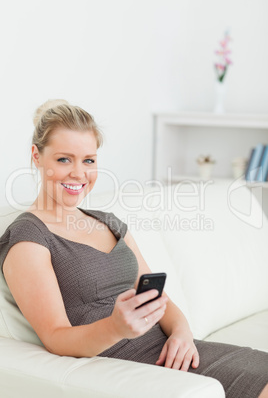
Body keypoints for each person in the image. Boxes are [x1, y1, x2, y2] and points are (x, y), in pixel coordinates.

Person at [0, 99, 267, 398]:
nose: (79, 173)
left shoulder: (109, 222)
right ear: (37, 156)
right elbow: (55, 337)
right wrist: (115, 327)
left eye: (89, 160)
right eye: (64, 159)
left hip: (173, 351)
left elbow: (159, 298)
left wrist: (182, 333)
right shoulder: (29, 236)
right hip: (128, 368)